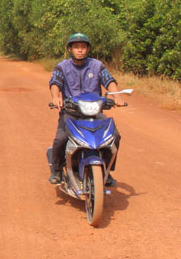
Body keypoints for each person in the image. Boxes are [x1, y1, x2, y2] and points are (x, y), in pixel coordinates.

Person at [48, 33, 126, 185]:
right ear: (70, 49)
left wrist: (116, 95)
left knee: (114, 136)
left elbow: (109, 80)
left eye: (83, 47)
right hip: (71, 112)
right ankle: (57, 170)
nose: (80, 50)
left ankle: (107, 170)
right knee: (61, 139)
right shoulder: (62, 67)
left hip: (95, 113)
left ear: (88, 49)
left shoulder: (97, 65)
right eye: (76, 47)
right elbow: (55, 82)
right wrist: (56, 97)